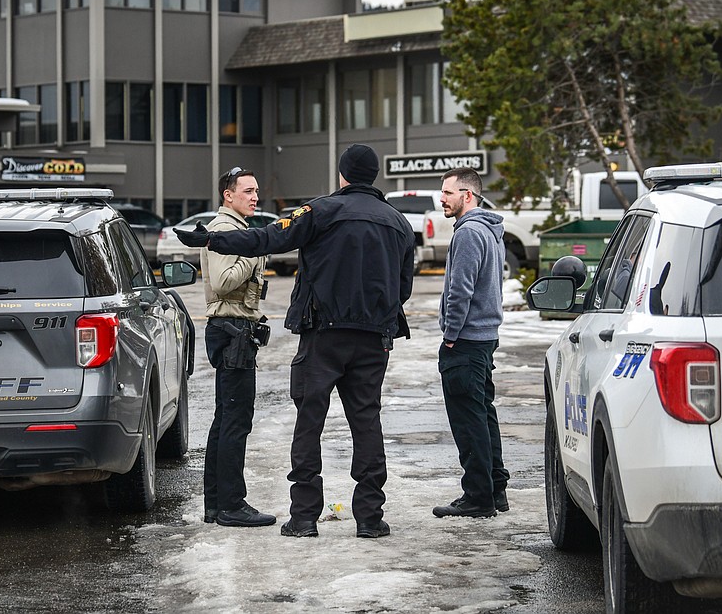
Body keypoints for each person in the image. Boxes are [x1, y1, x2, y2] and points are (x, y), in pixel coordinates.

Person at [177, 144, 414, 539]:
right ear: (374, 177)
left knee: (309, 424)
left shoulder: (320, 211)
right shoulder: (399, 222)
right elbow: (403, 287)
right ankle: (370, 518)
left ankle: (304, 517)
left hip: (323, 336)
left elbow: (268, 238)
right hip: (374, 340)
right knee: (367, 422)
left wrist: (213, 241)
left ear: (343, 175)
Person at [201, 167, 276, 528]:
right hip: (231, 331)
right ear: (228, 195)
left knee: (226, 419)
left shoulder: (237, 228)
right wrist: (254, 254)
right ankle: (232, 505)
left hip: (235, 330)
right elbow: (221, 280)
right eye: (247, 190)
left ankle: (216, 504)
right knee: (235, 420)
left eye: (256, 190)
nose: (255, 196)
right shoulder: (224, 230)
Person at [433, 168, 510, 518]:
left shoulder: (468, 234)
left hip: (465, 340)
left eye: (448, 193)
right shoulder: (491, 231)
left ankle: (478, 497)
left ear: (468, 195)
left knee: (468, 420)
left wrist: (450, 336)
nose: (442, 199)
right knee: (482, 414)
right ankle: (496, 489)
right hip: (484, 337)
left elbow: (460, 290)